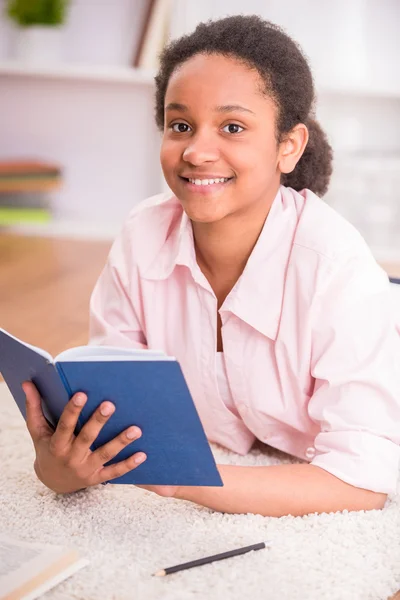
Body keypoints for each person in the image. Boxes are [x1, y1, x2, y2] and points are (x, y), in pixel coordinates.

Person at [23, 15, 400, 517]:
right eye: (180, 125)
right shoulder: (143, 234)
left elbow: (362, 482)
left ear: (288, 146)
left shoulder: (338, 270)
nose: (198, 151)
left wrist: (185, 481)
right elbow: (112, 411)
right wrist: (60, 465)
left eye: (233, 127)